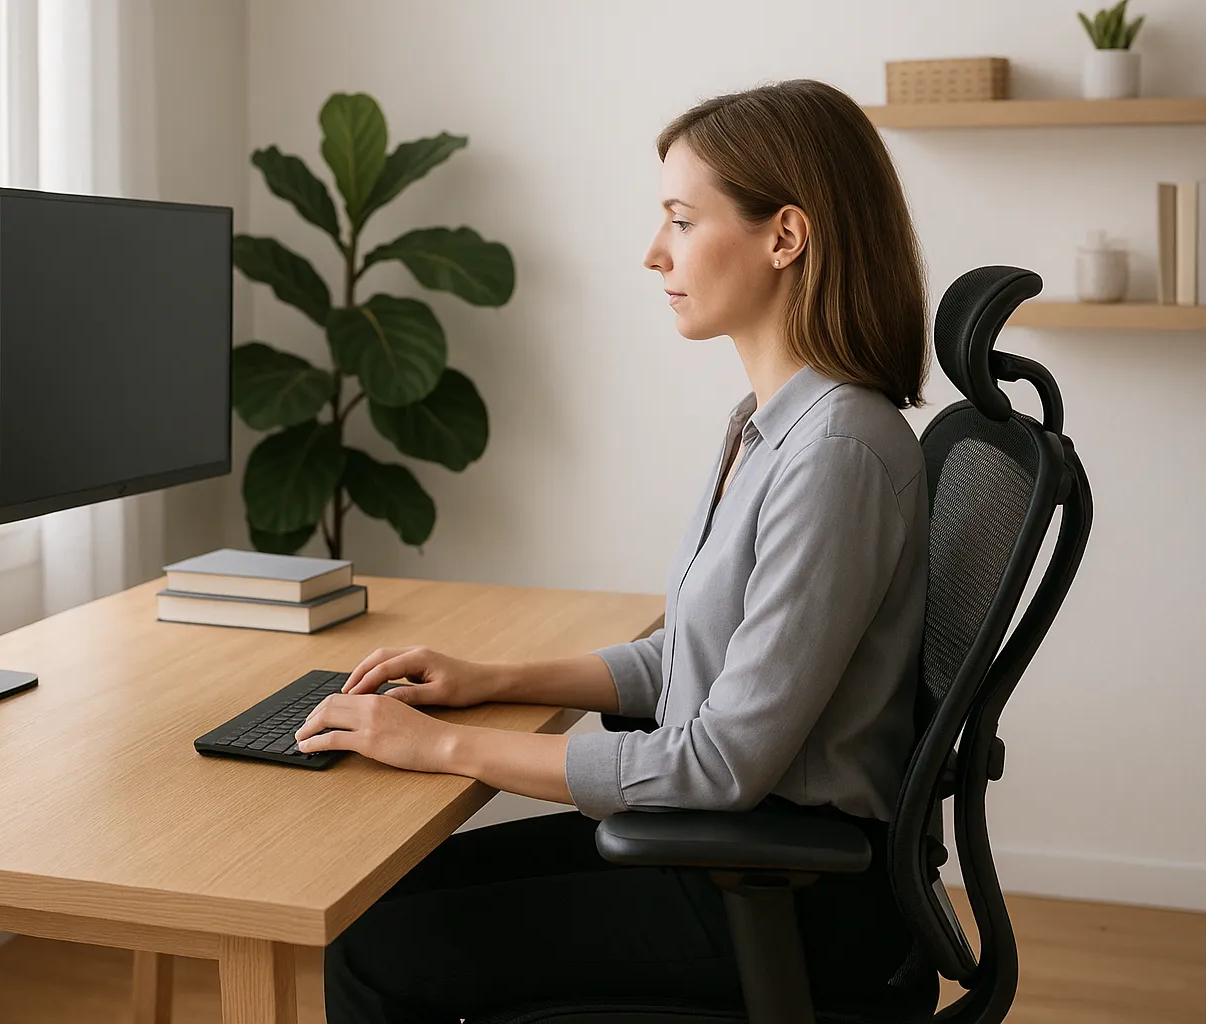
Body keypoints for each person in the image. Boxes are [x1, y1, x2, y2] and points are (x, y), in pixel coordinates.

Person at [294, 78, 935, 1022]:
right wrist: (489, 678)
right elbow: (693, 657)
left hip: (781, 895)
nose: (653, 252)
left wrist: (441, 746)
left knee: (376, 955)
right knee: (370, 906)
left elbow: (720, 762)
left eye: (681, 218)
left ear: (784, 237)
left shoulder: (837, 451)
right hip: (726, 855)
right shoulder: (771, 427)